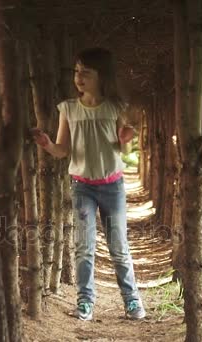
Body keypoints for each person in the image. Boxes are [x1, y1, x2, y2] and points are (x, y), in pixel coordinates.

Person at [31, 47, 146, 321]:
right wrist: (46, 144)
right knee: (84, 246)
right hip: (83, 187)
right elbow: (62, 150)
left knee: (119, 246)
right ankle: (85, 302)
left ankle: (132, 302)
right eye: (76, 71)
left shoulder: (115, 108)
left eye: (86, 72)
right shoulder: (68, 109)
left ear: (101, 76)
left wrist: (127, 137)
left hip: (113, 187)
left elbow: (123, 147)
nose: (79, 77)